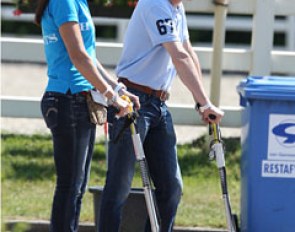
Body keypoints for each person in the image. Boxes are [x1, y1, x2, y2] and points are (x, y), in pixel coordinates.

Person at [98, 0, 224, 231]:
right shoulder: (155, 4)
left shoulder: (177, 7)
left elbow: (188, 51)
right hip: (131, 100)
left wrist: (202, 101)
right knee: (119, 186)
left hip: (158, 104)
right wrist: (204, 103)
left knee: (171, 186)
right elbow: (178, 55)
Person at [34, 0, 139, 231]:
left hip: (78, 99)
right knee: (70, 186)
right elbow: (78, 57)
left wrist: (118, 89)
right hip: (68, 98)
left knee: (76, 186)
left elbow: (89, 55)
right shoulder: (64, 2)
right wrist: (111, 96)